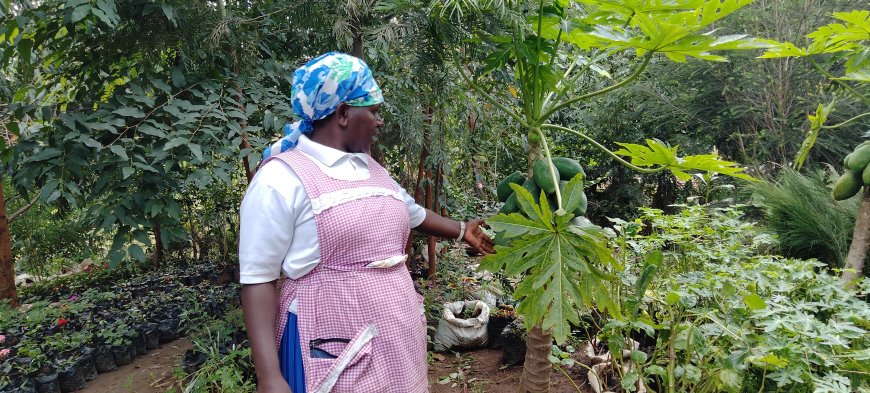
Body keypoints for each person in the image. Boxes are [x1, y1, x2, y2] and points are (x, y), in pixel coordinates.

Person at [239, 52, 495, 393]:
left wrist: (462, 231)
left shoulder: (373, 171)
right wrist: (269, 377)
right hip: (329, 340)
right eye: (373, 111)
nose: (380, 121)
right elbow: (257, 279)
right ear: (343, 113)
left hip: (394, 337)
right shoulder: (281, 179)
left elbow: (413, 214)